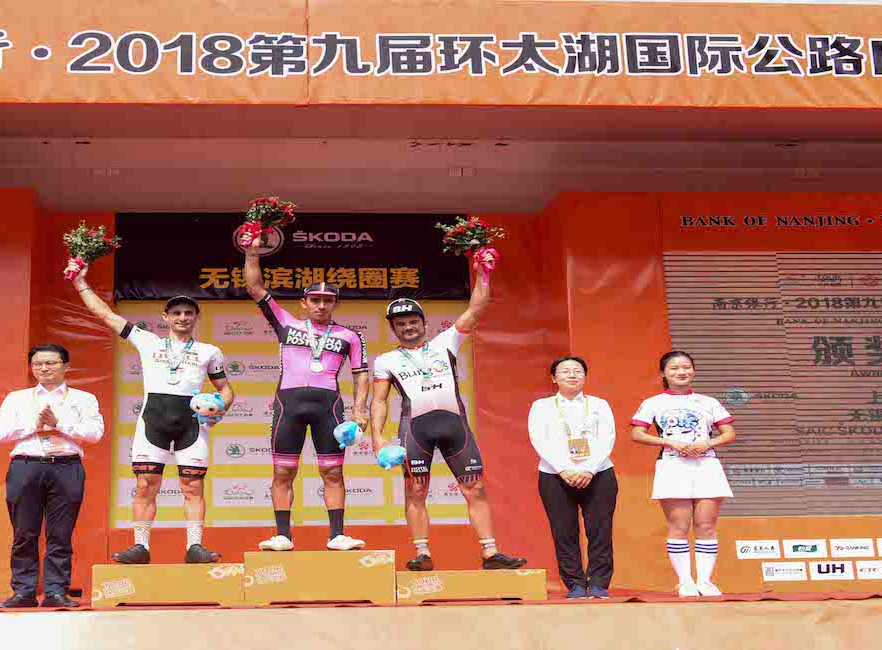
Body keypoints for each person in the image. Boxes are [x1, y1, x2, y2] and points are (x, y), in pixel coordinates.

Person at [66, 260, 234, 564]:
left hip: (191, 425)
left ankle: (195, 547)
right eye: (176, 313)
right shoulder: (147, 341)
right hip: (152, 422)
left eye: (188, 313)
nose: (182, 318)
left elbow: (225, 390)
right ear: (165, 317)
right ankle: (140, 547)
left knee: (193, 486)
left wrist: (219, 409)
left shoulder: (209, 351)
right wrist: (80, 283)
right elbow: (106, 315)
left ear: (196, 317)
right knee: (145, 485)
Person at [369, 277, 526, 571]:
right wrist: (377, 438)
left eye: (413, 321)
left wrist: (484, 271)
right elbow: (379, 401)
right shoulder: (386, 360)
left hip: (454, 427)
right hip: (415, 431)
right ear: (393, 329)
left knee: (475, 488)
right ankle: (422, 554)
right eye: (401, 324)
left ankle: (491, 554)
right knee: (416, 491)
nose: (408, 327)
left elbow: (477, 307)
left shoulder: (446, 343)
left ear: (424, 323)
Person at [243, 236, 369, 551]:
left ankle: (337, 535)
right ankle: (283, 536)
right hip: (289, 405)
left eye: (327, 300)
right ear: (304, 303)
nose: (321, 305)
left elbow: (360, 374)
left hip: (329, 406)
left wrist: (360, 409)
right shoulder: (286, 323)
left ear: (336, 304)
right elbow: (255, 288)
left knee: (333, 471)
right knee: (283, 470)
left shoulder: (350, 336)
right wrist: (252, 252)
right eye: (315, 300)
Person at [0, 344, 105, 608]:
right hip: (26, 466)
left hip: (66, 466)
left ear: (66, 366)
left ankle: (56, 591)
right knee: (24, 532)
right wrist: (34, 425)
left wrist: (58, 424)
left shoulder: (84, 399)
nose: (43, 368)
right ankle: (23, 592)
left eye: (50, 363)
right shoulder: (17, 398)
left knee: (60, 533)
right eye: (37, 364)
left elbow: (95, 433)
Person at [629, 350, 737, 598]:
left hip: (706, 465)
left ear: (693, 371)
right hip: (672, 466)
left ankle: (705, 581)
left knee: (706, 525)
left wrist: (707, 443)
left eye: (686, 367)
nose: (681, 372)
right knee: (679, 525)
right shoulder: (654, 403)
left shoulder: (708, 402)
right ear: (663, 373)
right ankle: (685, 581)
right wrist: (671, 443)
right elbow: (637, 434)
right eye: (674, 368)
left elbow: (729, 433)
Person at [528, 356, 618, 598]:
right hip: (555, 476)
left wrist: (589, 469)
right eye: (565, 371)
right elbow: (539, 439)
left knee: (600, 530)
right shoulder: (542, 406)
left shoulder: (599, 404)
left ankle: (598, 583)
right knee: (564, 531)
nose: (572, 375)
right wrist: (563, 469)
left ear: (585, 376)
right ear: (553, 378)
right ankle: (575, 584)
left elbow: (607, 438)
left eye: (577, 371)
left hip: (598, 474)